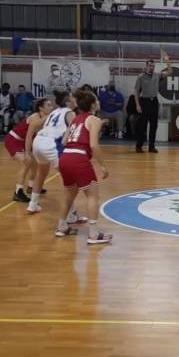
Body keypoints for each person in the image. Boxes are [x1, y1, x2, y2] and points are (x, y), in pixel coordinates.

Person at [55, 90, 112, 244]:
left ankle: (61, 227)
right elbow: (94, 145)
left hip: (65, 157)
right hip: (78, 158)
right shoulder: (94, 119)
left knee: (68, 195)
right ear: (93, 104)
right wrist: (103, 166)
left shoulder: (76, 119)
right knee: (93, 195)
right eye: (97, 100)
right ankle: (93, 234)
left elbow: (64, 141)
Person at [26, 90, 77, 214]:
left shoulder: (54, 112)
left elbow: (35, 124)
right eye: (73, 98)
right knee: (70, 180)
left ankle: (32, 205)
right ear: (68, 101)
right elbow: (73, 132)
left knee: (41, 173)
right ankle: (71, 215)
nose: (76, 100)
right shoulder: (70, 113)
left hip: (38, 142)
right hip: (51, 144)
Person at [134, 53, 172, 153]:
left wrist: (167, 61)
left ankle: (151, 147)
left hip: (154, 102)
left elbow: (170, 71)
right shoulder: (141, 77)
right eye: (150, 66)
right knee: (142, 126)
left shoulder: (157, 75)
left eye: (153, 66)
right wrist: (137, 105)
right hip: (144, 102)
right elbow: (136, 91)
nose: (152, 67)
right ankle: (139, 146)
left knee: (154, 126)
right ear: (146, 66)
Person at [4, 110, 36, 203]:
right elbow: (29, 137)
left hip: (24, 141)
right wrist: (27, 153)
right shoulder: (35, 118)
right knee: (25, 163)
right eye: (48, 105)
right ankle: (18, 192)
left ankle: (31, 186)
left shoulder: (47, 119)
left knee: (35, 163)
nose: (51, 107)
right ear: (41, 108)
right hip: (14, 140)